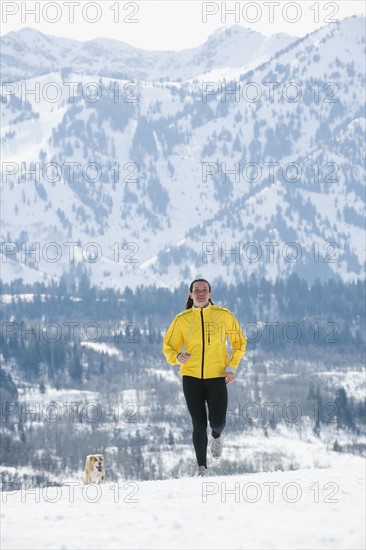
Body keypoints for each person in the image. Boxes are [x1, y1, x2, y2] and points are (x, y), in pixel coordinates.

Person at [162, 278, 247, 476]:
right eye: (196, 290)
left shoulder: (223, 316)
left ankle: (217, 436)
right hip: (191, 377)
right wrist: (176, 356)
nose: (200, 293)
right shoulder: (182, 319)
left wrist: (232, 367)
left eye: (204, 290)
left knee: (217, 422)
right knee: (198, 424)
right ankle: (202, 467)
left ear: (210, 294)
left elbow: (239, 343)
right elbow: (168, 346)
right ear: (190, 294)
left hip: (217, 376)